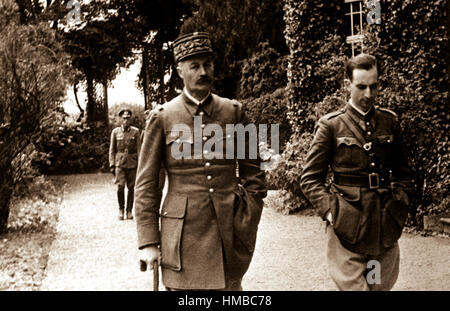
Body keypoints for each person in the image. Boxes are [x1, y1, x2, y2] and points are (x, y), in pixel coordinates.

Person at [134, 31, 267, 290]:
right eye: (194, 66)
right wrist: (148, 242)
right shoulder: (163, 117)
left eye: (208, 64)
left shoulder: (234, 112)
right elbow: (146, 185)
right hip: (182, 237)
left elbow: (256, 173)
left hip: (228, 234)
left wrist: (248, 215)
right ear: (180, 70)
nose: (203, 72)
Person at [300, 53, 413, 291]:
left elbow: (405, 173)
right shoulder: (331, 126)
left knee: (377, 287)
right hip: (347, 226)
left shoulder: (388, 122)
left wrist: (400, 204)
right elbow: (310, 179)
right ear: (347, 85)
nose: (368, 95)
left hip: (383, 226)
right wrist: (331, 214)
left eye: (374, 86)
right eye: (361, 87)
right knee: (354, 288)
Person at [109, 109, 141, 221]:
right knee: (120, 187)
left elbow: (139, 149)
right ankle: (121, 209)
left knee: (131, 188)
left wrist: (140, 164)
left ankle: (129, 211)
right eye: (124, 117)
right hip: (120, 163)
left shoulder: (136, 132)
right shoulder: (115, 132)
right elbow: (112, 150)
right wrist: (112, 164)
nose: (126, 120)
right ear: (120, 119)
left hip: (133, 163)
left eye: (128, 118)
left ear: (131, 119)